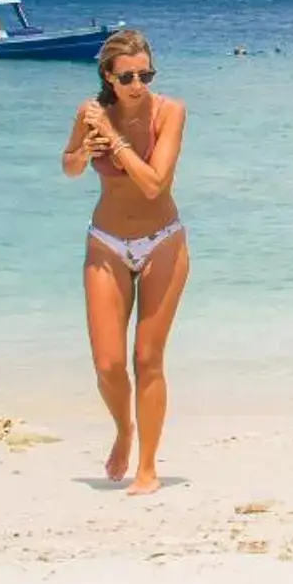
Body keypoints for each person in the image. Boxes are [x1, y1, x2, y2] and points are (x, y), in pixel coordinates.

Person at [61, 28, 190, 494]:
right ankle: (124, 429)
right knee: (109, 364)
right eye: (128, 77)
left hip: (162, 241)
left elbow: (154, 182)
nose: (139, 85)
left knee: (147, 357)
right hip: (107, 242)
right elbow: (69, 166)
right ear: (108, 77)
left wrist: (113, 141)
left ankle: (149, 468)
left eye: (146, 74)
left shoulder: (169, 112)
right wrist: (84, 151)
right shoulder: (90, 113)